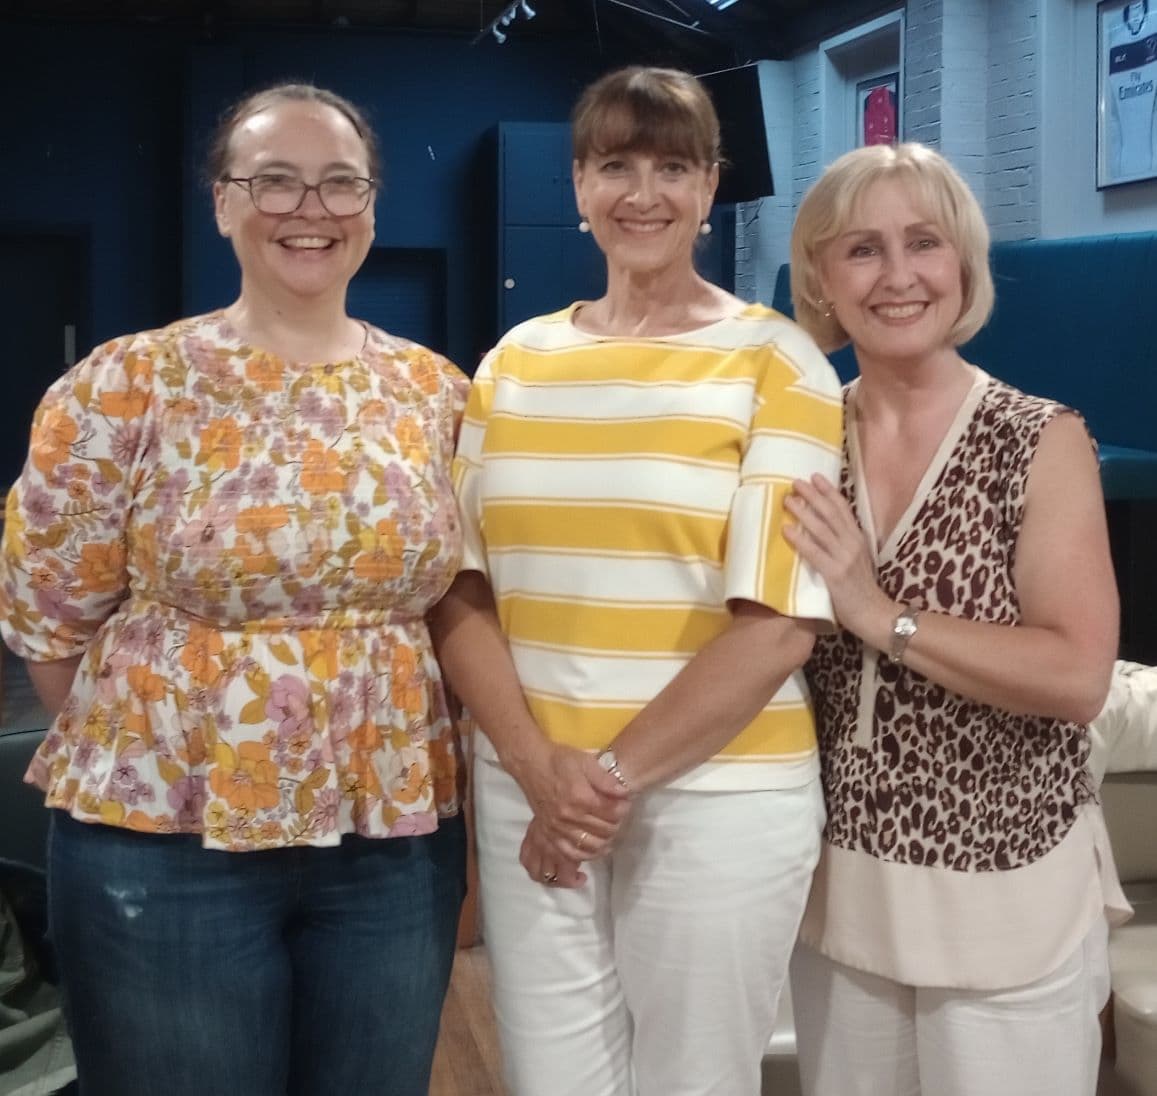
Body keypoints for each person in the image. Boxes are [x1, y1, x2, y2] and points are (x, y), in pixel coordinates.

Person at [0, 83, 468, 1096]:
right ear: (222, 202)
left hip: (386, 833)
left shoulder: (436, 393)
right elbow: (49, 613)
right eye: (275, 181)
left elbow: (459, 598)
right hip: (163, 837)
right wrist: (164, 746)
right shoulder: (126, 383)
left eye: (340, 183)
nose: (311, 209)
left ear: (372, 206)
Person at [428, 65, 843, 1096]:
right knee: (551, 1079)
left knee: (692, 1081)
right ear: (578, 184)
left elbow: (776, 623)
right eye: (615, 165)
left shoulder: (777, 361)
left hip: (717, 792)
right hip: (531, 785)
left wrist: (596, 785)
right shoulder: (512, 363)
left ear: (709, 187)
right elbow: (460, 591)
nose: (642, 193)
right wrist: (537, 772)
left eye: (672, 167)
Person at [781, 141, 1132, 1096]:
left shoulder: (1037, 438)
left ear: (963, 266)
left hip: (1005, 893)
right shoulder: (801, 439)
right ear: (819, 276)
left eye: (923, 243)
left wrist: (878, 613)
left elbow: (1076, 677)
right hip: (839, 892)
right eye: (861, 249)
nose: (897, 275)